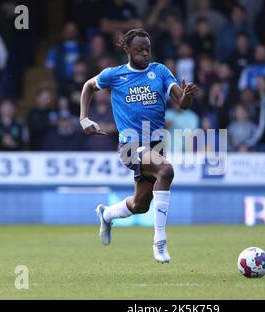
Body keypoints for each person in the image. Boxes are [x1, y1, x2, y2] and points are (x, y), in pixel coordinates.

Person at [79, 29, 198, 264]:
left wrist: (187, 95)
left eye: (148, 49)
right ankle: (160, 241)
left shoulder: (160, 71)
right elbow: (88, 87)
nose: (145, 53)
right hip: (130, 145)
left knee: (140, 205)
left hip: (156, 144)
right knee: (166, 170)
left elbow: (181, 103)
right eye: (140, 49)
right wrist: (84, 119)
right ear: (127, 50)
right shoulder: (114, 75)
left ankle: (107, 214)